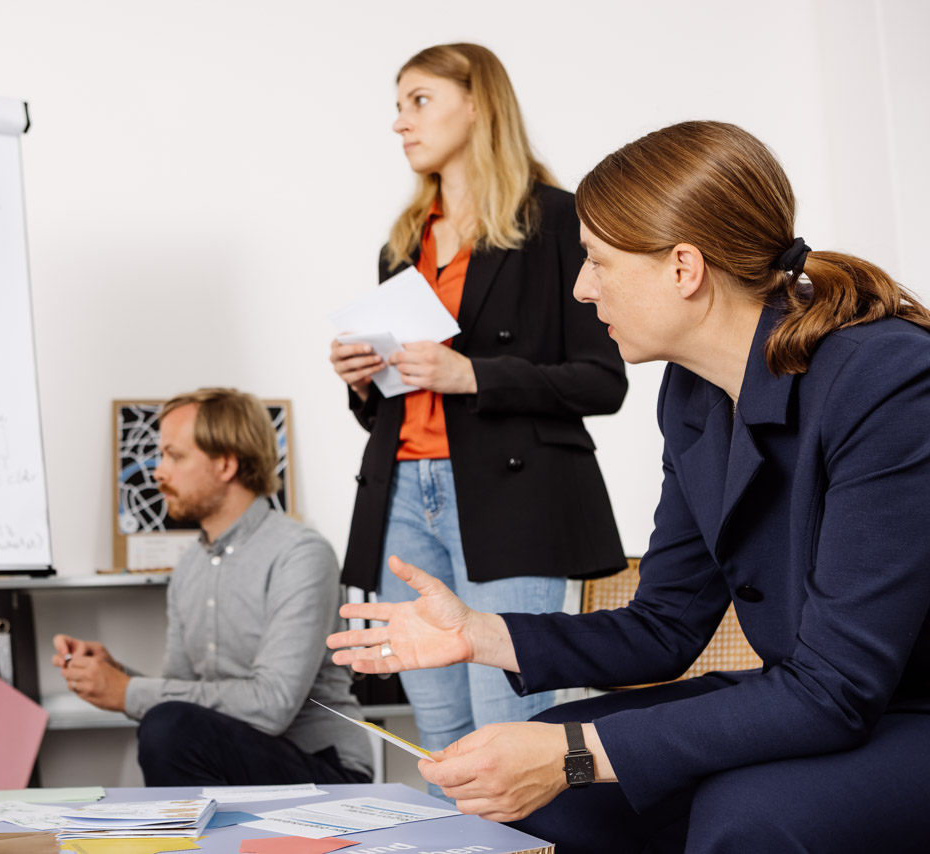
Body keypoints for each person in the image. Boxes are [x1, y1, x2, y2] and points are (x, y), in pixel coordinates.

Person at [327, 121, 930, 853]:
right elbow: (665, 627)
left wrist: (577, 757)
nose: (582, 289)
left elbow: (838, 688)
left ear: (684, 268)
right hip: (816, 700)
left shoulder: (888, 380)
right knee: (521, 769)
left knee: (744, 811)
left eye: (597, 262)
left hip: (893, 710)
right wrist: (479, 635)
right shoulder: (691, 393)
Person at [328, 42, 626, 772]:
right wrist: (362, 381)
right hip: (402, 495)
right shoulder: (403, 244)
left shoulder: (558, 221)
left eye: (419, 100)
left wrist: (474, 376)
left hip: (511, 499)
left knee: (510, 732)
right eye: (397, 106)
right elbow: (391, 411)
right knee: (438, 743)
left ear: (477, 103)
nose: (401, 121)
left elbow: (602, 379)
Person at [53, 388, 372, 786]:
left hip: (324, 767)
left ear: (224, 465)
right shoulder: (190, 565)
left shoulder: (301, 553)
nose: (158, 472)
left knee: (167, 725)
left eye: (175, 455)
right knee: (166, 721)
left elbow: (272, 705)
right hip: (241, 756)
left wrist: (128, 691)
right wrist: (115, 675)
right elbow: (186, 695)